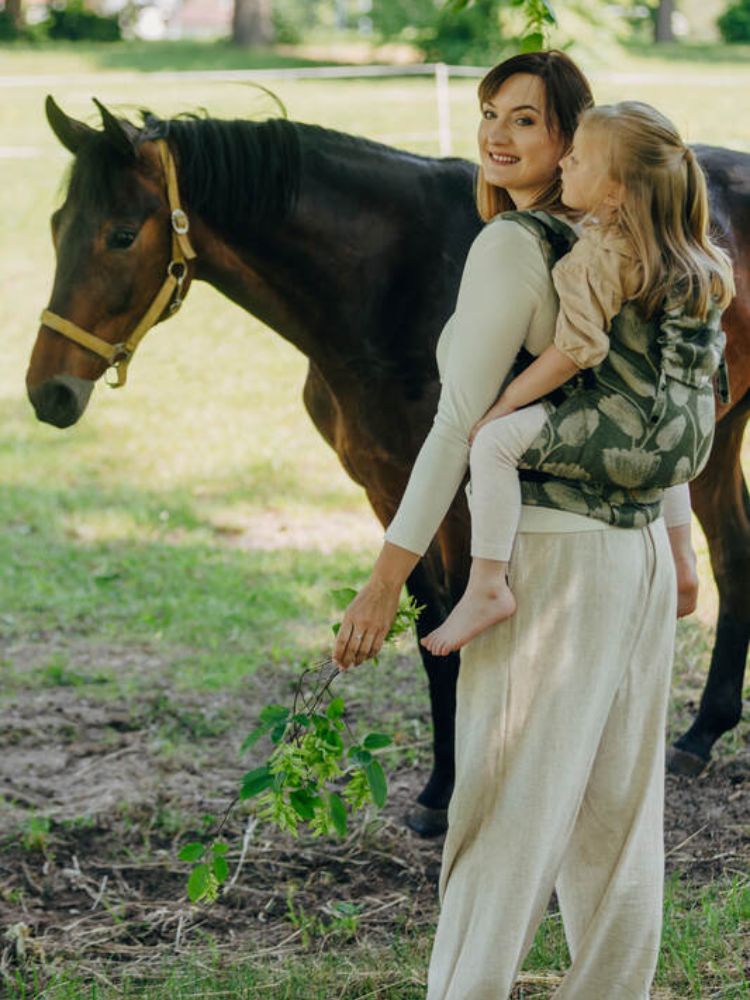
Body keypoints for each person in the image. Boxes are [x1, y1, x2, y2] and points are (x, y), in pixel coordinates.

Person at [333, 50, 727, 999]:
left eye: (525, 122)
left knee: (502, 814)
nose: (496, 137)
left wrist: (386, 580)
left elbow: (461, 425)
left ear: (570, 144)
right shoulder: (631, 241)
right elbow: (653, 401)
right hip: (632, 558)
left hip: (550, 561)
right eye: (489, 114)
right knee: (616, 821)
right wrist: (676, 548)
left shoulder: (519, 247)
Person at [421, 101, 734, 656]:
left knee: (492, 445)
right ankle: (683, 559)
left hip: (637, 433)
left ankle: (487, 585)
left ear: (614, 195)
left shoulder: (604, 256)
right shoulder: (699, 254)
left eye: (580, 159)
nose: (565, 162)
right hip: (692, 437)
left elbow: (576, 350)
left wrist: (504, 405)